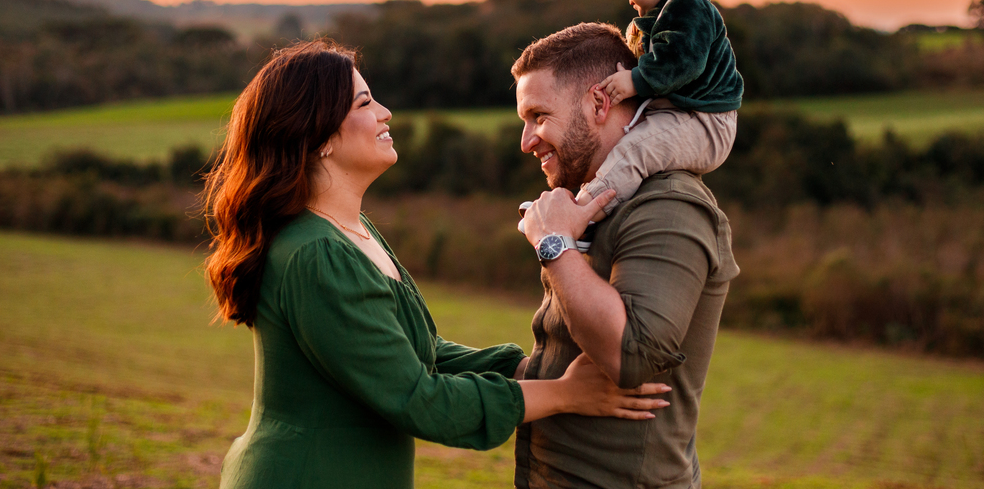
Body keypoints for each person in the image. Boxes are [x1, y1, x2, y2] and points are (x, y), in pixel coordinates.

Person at [203, 40, 671, 489]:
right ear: (318, 134)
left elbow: (421, 352)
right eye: (365, 104)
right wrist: (563, 394)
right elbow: (417, 398)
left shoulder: (349, 231)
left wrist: (533, 369)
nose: (385, 113)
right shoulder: (315, 254)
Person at [512, 23, 741, 489]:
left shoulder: (669, 206)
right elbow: (562, 352)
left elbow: (629, 356)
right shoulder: (594, 203)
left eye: (538, 116)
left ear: (600, 103)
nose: (527, 140)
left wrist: (553, 244)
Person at [574, 0, 744, 219]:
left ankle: (583, 214)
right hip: (682, 114)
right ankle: (600, 208)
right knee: (617, 142)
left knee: (636, 149)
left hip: (705, 121)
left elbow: (682, 62)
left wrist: (635, 81)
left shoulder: (690, 7)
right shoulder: (663, 16)